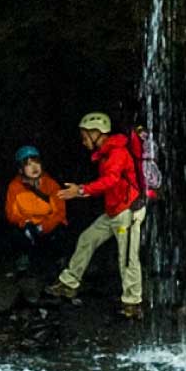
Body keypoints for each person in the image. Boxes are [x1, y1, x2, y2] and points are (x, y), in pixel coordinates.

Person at [47, 111, 146, 319]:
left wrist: (81, 190)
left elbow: (110, 181)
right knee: (87, 238)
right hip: (114, 211)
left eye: (84, 137)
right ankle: (69, 283)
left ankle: (132, 303)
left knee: (127, 258)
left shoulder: (117, 152)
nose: (83, 142)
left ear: (96, 133)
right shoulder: (106, 153)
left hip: (127, 212)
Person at [4, 145, 67, 272]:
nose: (34, 167)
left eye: (36, 163)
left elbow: (59, 213)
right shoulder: (14, 187)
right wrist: (25, 223)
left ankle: (59, 259)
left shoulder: (51, 185)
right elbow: (11, 213)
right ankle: (24, 259)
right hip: (29, 226)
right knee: (15, 234)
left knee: (60, 231)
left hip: (48, 225)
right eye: (28, 164)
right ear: (21, 169)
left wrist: (44, 226)